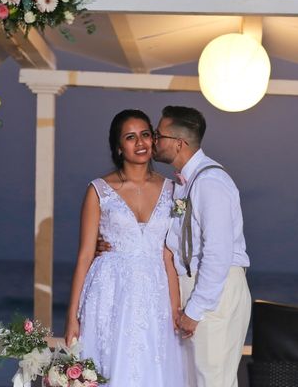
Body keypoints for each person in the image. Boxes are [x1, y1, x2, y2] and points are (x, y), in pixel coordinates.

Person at [101, 105, 251, 386]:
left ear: (178, 143)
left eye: (158, 135)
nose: (153, 141)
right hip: (193, 288)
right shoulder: (184, 183)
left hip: (213, 292)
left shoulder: (211, 182)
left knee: (212, 380)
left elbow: (218, 254)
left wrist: (195, 311)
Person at [64, 109, 186, 387]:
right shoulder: (99, 190)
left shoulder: (173, 190)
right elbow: (84, 255)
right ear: (119, 147)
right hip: (109, 291)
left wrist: (175, 308)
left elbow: (169, 255)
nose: (140, 143)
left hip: (155, 293)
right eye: (130, 137)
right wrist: (72, 316)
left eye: (145, 135)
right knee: (109, 366)